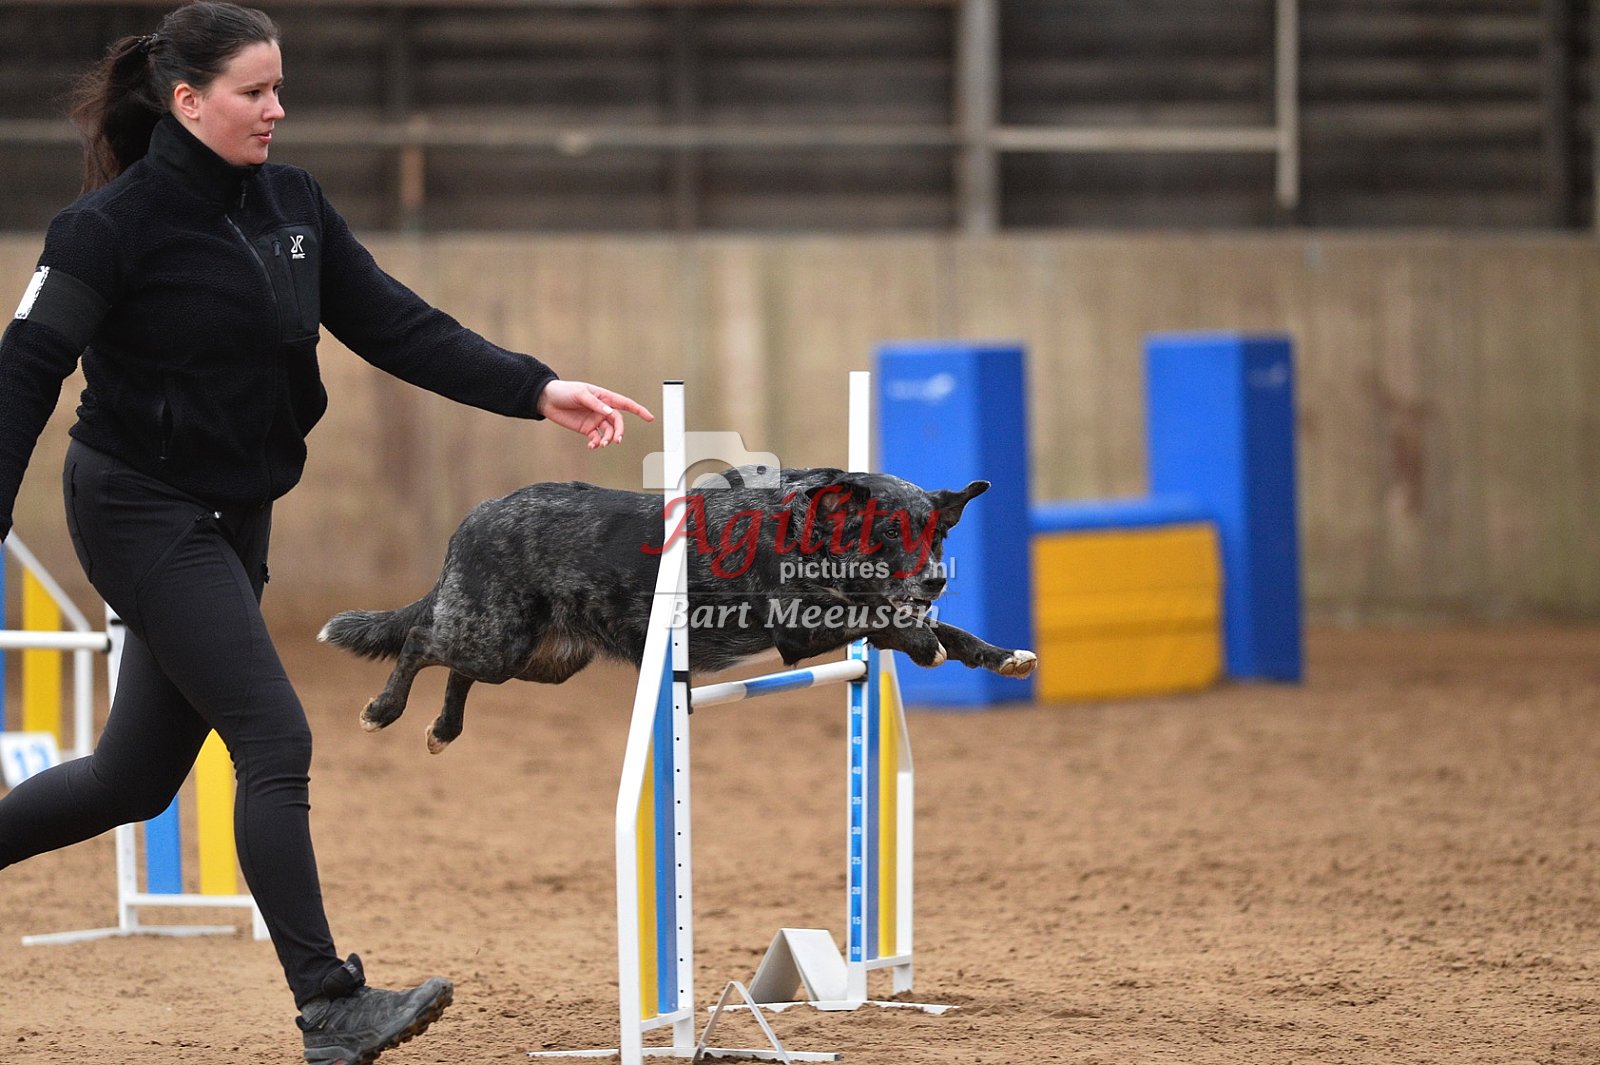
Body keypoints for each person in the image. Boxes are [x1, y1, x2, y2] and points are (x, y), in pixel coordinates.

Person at [0, 4, 651, 1062]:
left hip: (236, 510)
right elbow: (26, 369)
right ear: (187, 100)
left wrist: (535, 388)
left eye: (279, 88)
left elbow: (395, 322)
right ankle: (329, 1004)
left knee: (132, 779)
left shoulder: (292, 202)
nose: (276, 109)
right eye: (254, 91)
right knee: (274, 738)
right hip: (139, 508)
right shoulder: (104, 230)